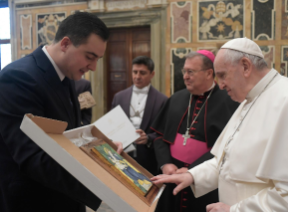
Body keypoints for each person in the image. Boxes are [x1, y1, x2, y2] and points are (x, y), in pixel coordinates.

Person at [152, 38, 288, 212]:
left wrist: (235, 210)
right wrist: (192, 176)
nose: (221, 85)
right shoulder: (249, 100)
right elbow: (226, 162)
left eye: (223, 75)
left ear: (245, 66)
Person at [0, 12, 123, 212]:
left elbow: (66, 138)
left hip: (64, 198)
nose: (93, 66)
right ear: (65, 44)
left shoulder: (65, 75)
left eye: (98, 59)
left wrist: (102, 151)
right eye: (89, 57)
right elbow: (34, 158)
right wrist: (105, 191)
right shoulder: (19, 78)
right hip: (34, 200)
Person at [151, 50, 239, 212]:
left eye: (190, 72)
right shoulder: (176, 99)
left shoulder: (228, 102)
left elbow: (229, 147)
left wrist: (194, 169)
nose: (185, 76)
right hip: (172, 176)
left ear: (209, 73)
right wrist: (165, 163)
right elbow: (159, 136)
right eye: (184, 71)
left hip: (205, 183)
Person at [111, 56, 167, 175]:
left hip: (148, 157)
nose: (137, 76)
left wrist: (148, 138)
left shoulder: (162, 100)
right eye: (134, 72)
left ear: (152, 74)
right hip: (122, 155)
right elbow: (112, 124)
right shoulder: (119, 97)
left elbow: (164, 131)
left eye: (142, 73)